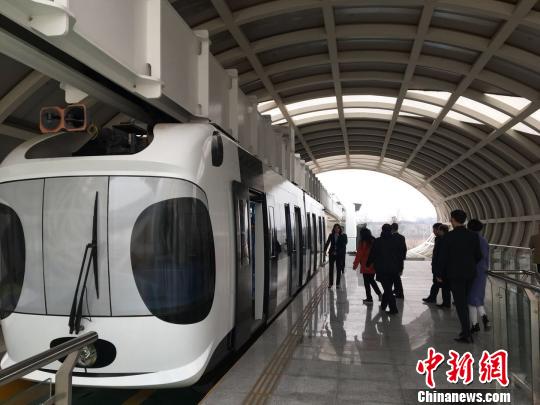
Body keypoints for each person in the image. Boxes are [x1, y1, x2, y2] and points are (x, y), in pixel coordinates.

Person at [439, 210, 482, 343]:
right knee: (464, 301)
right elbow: (478, 256)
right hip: (470, 273)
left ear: (453, 220)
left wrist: (439, 274)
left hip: (455, 274)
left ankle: (466, 333)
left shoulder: (448, 237)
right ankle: (466, 331)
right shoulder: (473, 236)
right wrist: (469, 265)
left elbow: (443, 258)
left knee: (460, 304)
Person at [367, 224, 402, 315]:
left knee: (387, 289)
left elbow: (372, 254)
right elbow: (400, 256)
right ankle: (383, 305)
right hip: (394, 269)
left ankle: (393, 309)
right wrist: (400, 267)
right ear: (391, 230)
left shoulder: (378, 241)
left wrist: (368, 263)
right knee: (388, 288)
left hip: (382, 269)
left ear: (382, 230)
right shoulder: (396, 240)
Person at [467, 219, 490, 333]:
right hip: (482, 271)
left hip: (472, 271)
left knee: (471, 298)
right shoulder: (484, 240)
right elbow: (486, 256)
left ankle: (475, 324)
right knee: (478, 296)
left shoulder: (470, 240)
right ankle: (484, 318)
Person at [353, 228, 382, 304]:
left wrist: (355, 264)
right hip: (373, 264)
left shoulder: (363, 242)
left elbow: (359, 254)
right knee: (371, 280)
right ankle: (379, 294)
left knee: (367, 282)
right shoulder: (374, 240)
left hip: (365, 264)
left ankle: (369, 298)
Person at [422, 223, 443, 303]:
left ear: (439, 229)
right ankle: (433, 298)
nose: (433, 231)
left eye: (434, 230)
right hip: (437, 264)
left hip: (439, 265)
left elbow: (439, 254)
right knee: (436, 282)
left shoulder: (442, 239)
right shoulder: (437, 238)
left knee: (437, 283)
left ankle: (433, 298)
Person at [324, 224, 348, 289]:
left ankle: (338, 284)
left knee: (338, 269)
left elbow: (345, 243)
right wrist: (324, 250)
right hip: (332, 253)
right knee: (331, 269)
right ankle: (330, 283)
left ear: (340, 229)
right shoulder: (331, 235)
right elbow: (327, 243)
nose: (336, 229)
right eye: (335, 228)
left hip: (339, 254)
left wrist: (340, 237)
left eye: (338, 228)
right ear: (333, 229)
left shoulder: (343, 236)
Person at [434, 225, 451, 309]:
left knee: (445, 287)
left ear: (441, 231)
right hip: (450, 267)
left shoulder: (442, 240)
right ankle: (447, 302)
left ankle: (446, 303)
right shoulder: (451, 238)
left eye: (439, 230)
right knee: (448, 287)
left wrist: (438, 272)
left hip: (444, 268)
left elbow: (441, 256)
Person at [391, 223, 407, 299]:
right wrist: (403, 258)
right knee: (396, 276)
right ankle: (397, 290)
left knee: (396, 278)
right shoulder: (402, 237)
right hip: (399, 260)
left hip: (393, 261)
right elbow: (404, 249)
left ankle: (400, 293)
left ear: (392, 229)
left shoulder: (390, 237)